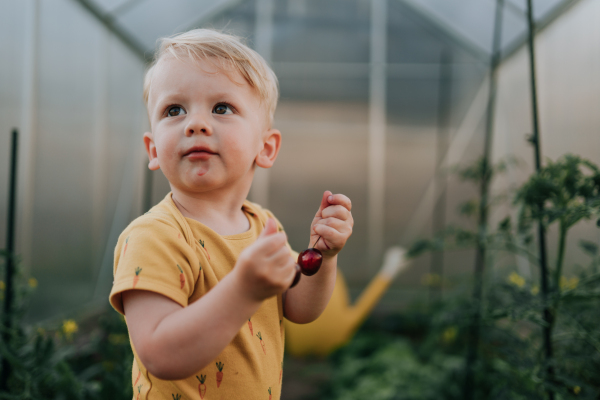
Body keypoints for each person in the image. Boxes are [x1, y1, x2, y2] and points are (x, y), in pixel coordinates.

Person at [108, 29, 353, 400]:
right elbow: (159, 355)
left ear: (265, 147)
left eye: (221, 108)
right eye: (174, 110)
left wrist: (323, 256)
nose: (196, 123)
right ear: (153, 148)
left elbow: (299, 308)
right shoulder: (154, 237)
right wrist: (244, 290)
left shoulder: (263, 225)